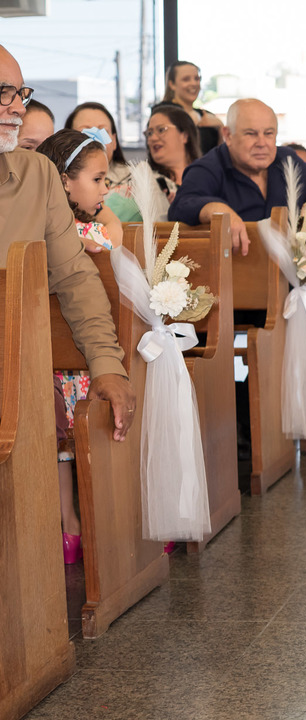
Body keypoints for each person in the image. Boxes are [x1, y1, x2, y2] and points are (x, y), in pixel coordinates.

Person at [0, 44, 136, 554]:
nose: (16, 106)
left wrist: (107, 364)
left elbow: (76, 277)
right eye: (3, 94)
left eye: (21, 92)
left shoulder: (35, 176)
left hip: (15, 373)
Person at [36, 127, 120, 562]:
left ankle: (68, 526)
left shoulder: (38, 233)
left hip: (52, 366)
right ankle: (103, 524)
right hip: (84, 368)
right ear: (65, 181)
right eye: (99, 179)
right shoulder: (94, 238)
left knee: (62, 452)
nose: (106, 189)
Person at [168, 98, 306, 255]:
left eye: (269, 134)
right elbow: (180, 207)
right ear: (228, 135)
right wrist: (216, 209)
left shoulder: (285, 160)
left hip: (289, 279)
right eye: (251, 134)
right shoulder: (208, 167)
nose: (262, 143)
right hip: (236, 281)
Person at [65, 102, 136, 223]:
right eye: (85, 131)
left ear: (114, 141)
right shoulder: (56, 182)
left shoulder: (138, 177)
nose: (95, 138)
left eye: (102, 131)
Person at [160, 60, 224, 154]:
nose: (194, 83)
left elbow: (221, 154)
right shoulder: (161, 113)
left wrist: (220, 126)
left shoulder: (206, 115)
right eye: (186, 79)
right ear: (172, 84)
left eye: (197, 79)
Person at [146, 104, 201, 204]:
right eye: (149, 133)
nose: (153, 138)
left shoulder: (208, 176)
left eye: (161, 130)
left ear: (184, 135)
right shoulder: (146, 182)